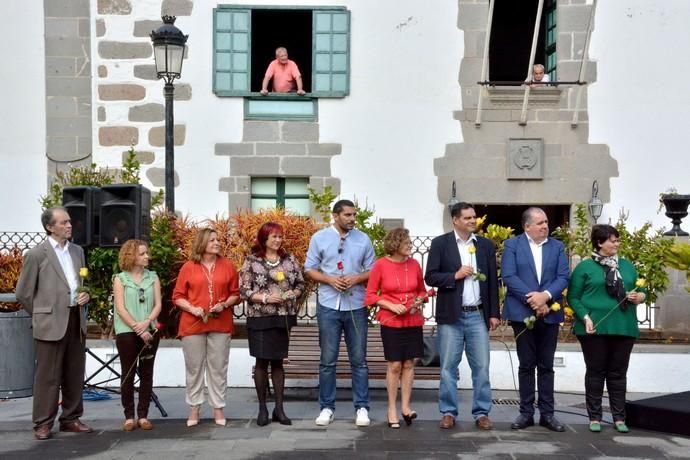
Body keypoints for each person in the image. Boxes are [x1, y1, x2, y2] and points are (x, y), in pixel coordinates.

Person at [15, 207, 93, 440]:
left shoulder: (78, 251)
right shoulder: (36, 254)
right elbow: (23, 293)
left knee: (74, 373)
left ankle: (70, 418)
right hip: (50, 322)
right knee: (48, 377)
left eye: (69, 222)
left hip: (75, 319)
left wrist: (85, 294)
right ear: (50, 227)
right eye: (63, 222)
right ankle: (42, 423)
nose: (69, 225)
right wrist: (41, 314)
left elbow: (82, 281)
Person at [424, 202, 500, 431]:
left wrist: (494, 313)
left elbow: (493, 283)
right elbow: (430, 277)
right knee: (448, 367)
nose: (472, 221)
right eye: (467, 218)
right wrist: (455, 275)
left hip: (477, 314)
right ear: (455, 220)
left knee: (482, 367)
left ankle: (482, 413)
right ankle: (448, 412)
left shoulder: (485, 245)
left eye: (473, 217)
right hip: (451, 316)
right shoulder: (440, 244)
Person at [567, 224, 645, 434]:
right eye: (612, 240)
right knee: (596, 372)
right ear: (599, 242)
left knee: (618, 374)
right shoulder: (585, 267)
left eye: (618, 240)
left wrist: (640, 297)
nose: (617, 244)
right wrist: (585, 317)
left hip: (623, 326)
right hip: (594, 329)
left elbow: (641, 289)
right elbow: (573, 297)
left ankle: (619, 417)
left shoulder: (627, 266)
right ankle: (594, 416)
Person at [305, 199, 376, 427]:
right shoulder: (319, 238)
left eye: (354, 214)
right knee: (327, 361)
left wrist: (356, 278)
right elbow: (309, 269)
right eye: (348, 215)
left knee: (359, 360)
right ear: (335, 216)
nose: (353, 219)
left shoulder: (363, 239)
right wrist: (329, 279)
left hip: (356, 306)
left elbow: (373, 269)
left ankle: (362, 407)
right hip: (328, 306)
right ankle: (327, 407)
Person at [501, 207, 570, 432]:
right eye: (540, 223)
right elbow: (509, 276)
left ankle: (548, 415)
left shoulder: (557, 246)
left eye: (546, 222)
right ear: (527, 226)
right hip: (523, 313)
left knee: (547, 365)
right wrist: (533, 300)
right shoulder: (513, 245)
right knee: (527, 364)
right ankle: (526, 413)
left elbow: (563, 277)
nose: (545, 226)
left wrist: (545, 297)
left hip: (550, 312)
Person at [172, 228, 241, 427]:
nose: (217, 243)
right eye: (212, 240)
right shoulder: (188, 266)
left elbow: (235, 294)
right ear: (202, 243)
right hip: (192, 324)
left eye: (218, 239)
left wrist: (224, 304)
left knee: (218, 367)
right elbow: (178, 296)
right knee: (194, 368)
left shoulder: (227, 265)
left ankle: (218, 408)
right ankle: (194, 408)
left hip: (220, 323)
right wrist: (193, 309)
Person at [239, 222, 305, 427]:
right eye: (273, 237)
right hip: (260, 317)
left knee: (278, 362)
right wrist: (266, 299)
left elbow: (301, 284)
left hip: (283, 316)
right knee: (261, 362)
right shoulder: (252, 261)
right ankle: (262, 408)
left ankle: (279, 408)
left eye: (280, 236)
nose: (278, 240)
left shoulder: (290, 260)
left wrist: (292, 293)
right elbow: (244, 290)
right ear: (264, 239)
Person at [364, 228, 426, 429]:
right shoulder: (380, 265)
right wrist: (391, 305)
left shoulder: (415, 264)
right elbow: (370, 296)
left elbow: (421, 291)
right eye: (407, 242)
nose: (411, 245)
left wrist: (418, 301)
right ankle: (391, 409)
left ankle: (406, 408)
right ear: (395, 245)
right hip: (391, 321)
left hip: (412, 320)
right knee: (395, 365)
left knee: (409, 363)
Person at [112, 239, 162, 432]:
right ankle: (129, 416)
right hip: (127, 332)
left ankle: (143, 415)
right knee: (128, 373)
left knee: (147, 373)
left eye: (146, 253)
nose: (146, 256)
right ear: (131, 256)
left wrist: (147, 323)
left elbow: (158, 304)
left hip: (149, 331)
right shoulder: (120, 278)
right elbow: (120, 307)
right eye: (142, 254)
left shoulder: (153, 277)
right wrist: (137, 328)